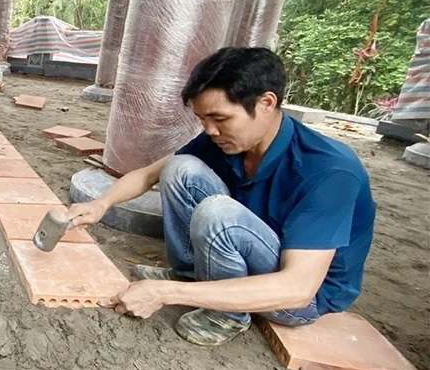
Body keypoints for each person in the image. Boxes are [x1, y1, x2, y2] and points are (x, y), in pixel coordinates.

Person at [68, 47, 376, 346]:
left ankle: (227, 314)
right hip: (265, 254)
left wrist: (165, 293)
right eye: (203, 120)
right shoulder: (225, 140)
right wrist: (99, 205)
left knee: (218, 214)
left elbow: (298, 288)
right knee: (179, 167)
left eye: (220, 119)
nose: (210, 130)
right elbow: (150, 173)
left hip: (301, 298)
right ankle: (191, 274)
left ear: (267, 102)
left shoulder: (330, 172)